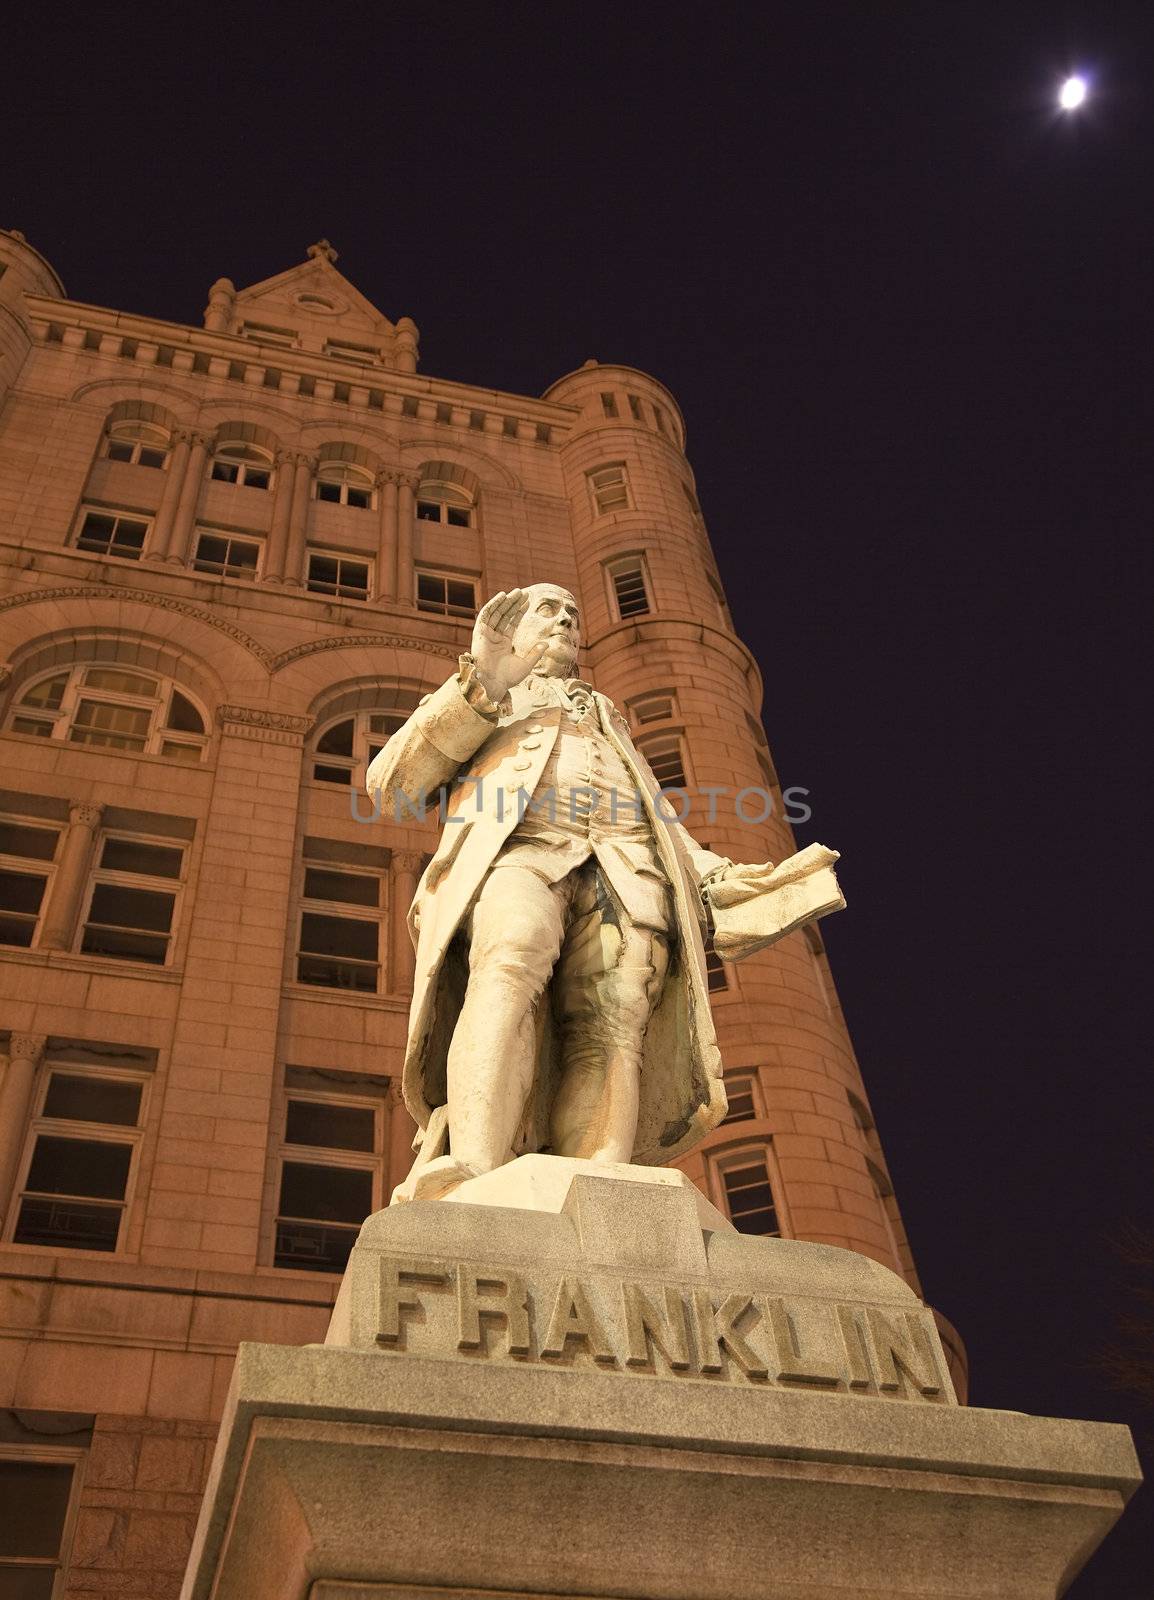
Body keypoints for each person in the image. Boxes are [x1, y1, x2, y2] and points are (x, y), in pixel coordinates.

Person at [368, 583, 787, 1202]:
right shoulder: (487, 692)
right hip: (521, 852)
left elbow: (653, 809)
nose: (566, 618)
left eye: (573, 611)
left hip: (626, 865)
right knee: (508, 964)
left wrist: (710, 874)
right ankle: (473, 1164)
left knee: (618, 1017)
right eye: (548, 608)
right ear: (512, 627)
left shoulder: (606, 712)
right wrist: (483, 678)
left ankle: (602, 1181)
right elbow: (393, 784)